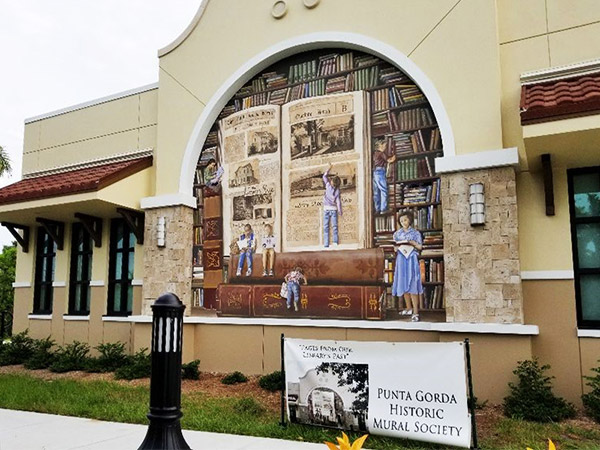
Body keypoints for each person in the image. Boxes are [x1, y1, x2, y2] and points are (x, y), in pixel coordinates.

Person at [392, 211, 423, 322]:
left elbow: (419, 247)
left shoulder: (415, 233)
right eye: (401, 221)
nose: (403, 222)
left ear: (409, 220)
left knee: (412, 283)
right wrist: (395, 248)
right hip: (401, 258)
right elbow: (395, 246)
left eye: (405, 220)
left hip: (411, 259)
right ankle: (408, 308)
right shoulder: (397, 234)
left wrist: (413, 243)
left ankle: (415, 311)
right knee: (403, 282)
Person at [372, 139, 396, 214]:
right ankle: (383, 209)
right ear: (380, 146)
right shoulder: (381, 153)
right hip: (380, 171)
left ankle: (377, 209)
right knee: (384, 190)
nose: (385, 147)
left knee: (376, 192)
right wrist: (394, 156)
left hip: (375, 172)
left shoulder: (375, 154)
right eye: (384, 146)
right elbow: (389, 160)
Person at [322, 163, 342, 248]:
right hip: (334, 210)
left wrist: (329, 168)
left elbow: (324, 176)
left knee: (326, 227)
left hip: (326, 209)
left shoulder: (328, 186)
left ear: (332, 182)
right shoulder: (337, 191)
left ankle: (326, 244)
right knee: (334, 227)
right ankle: (335, 242)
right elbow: (338, 202)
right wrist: (340, 210)